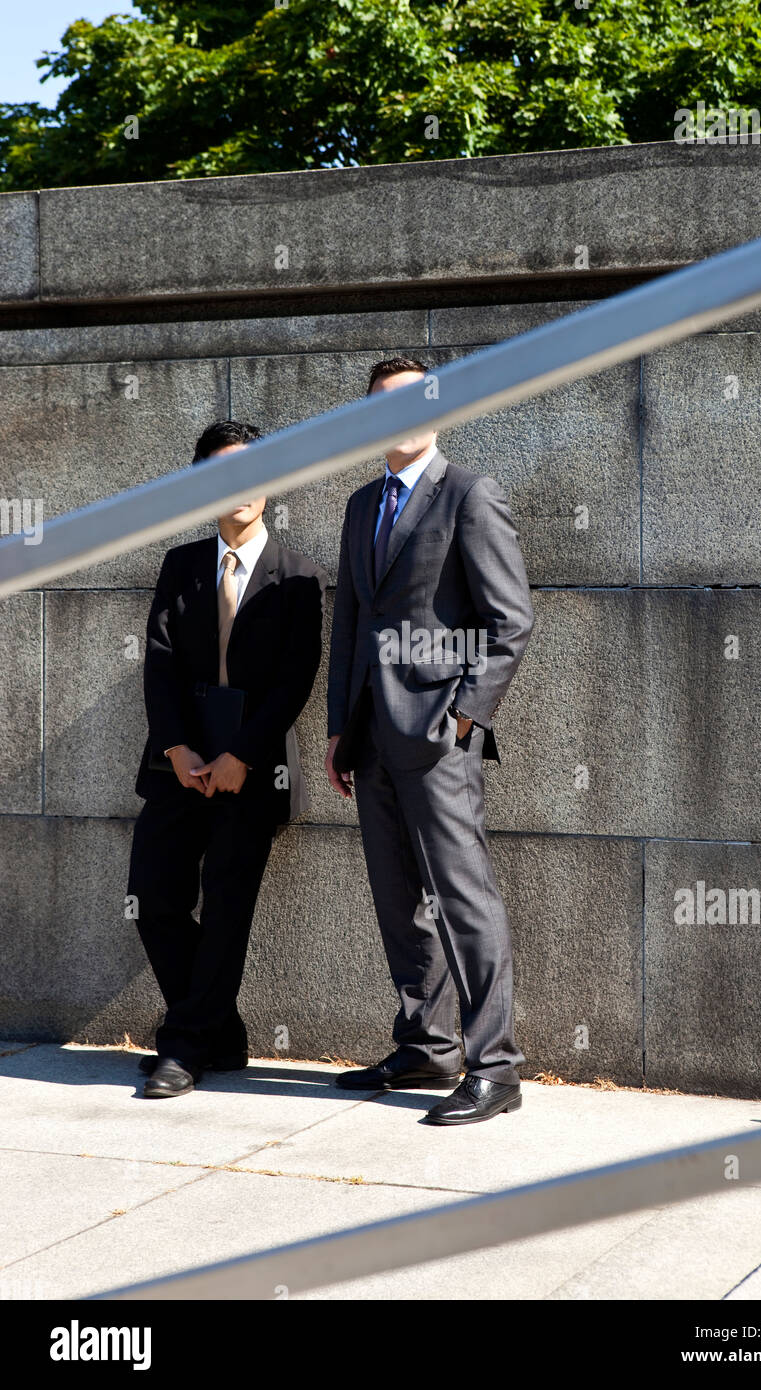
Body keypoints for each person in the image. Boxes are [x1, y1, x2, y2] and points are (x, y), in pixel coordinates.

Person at [326, 358, 534, 1125]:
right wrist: (338, 729)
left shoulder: (470, 494)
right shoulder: (359, 507)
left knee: (461, 899)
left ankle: (496, 1067)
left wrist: (464, 721)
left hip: (440, 735)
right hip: (372, 736)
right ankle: (426, 1043)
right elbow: (349, 621)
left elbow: (509, 623)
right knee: (397, 900)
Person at [128, 419, 326, 1099]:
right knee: (154, 898)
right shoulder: (180, 564)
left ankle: (182, 1046)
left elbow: (295, 680)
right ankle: (219, 1030)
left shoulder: (298, 576)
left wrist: (244, 753)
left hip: (252, 767)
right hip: (176, 763)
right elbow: (157, 664)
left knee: (227, 907)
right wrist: (178, 746)